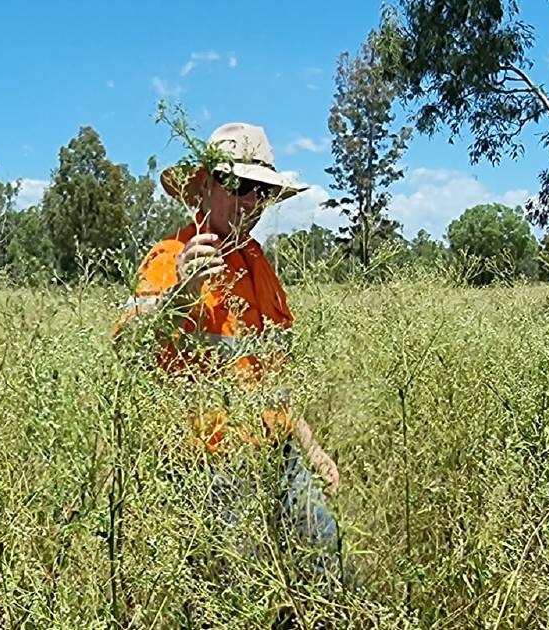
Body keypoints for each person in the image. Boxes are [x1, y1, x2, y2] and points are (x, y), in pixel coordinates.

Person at [113, 122, 343, 590]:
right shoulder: (170, 257)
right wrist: (181, 292)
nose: (248, 201)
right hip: (209, 464)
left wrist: (310, 447)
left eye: (259, 189)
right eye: (235, 185)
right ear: (205, 187)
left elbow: (273, 377)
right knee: (237, 586)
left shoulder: (260, 265)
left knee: (324, 556)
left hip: (278, 455)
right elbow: (125, 345)